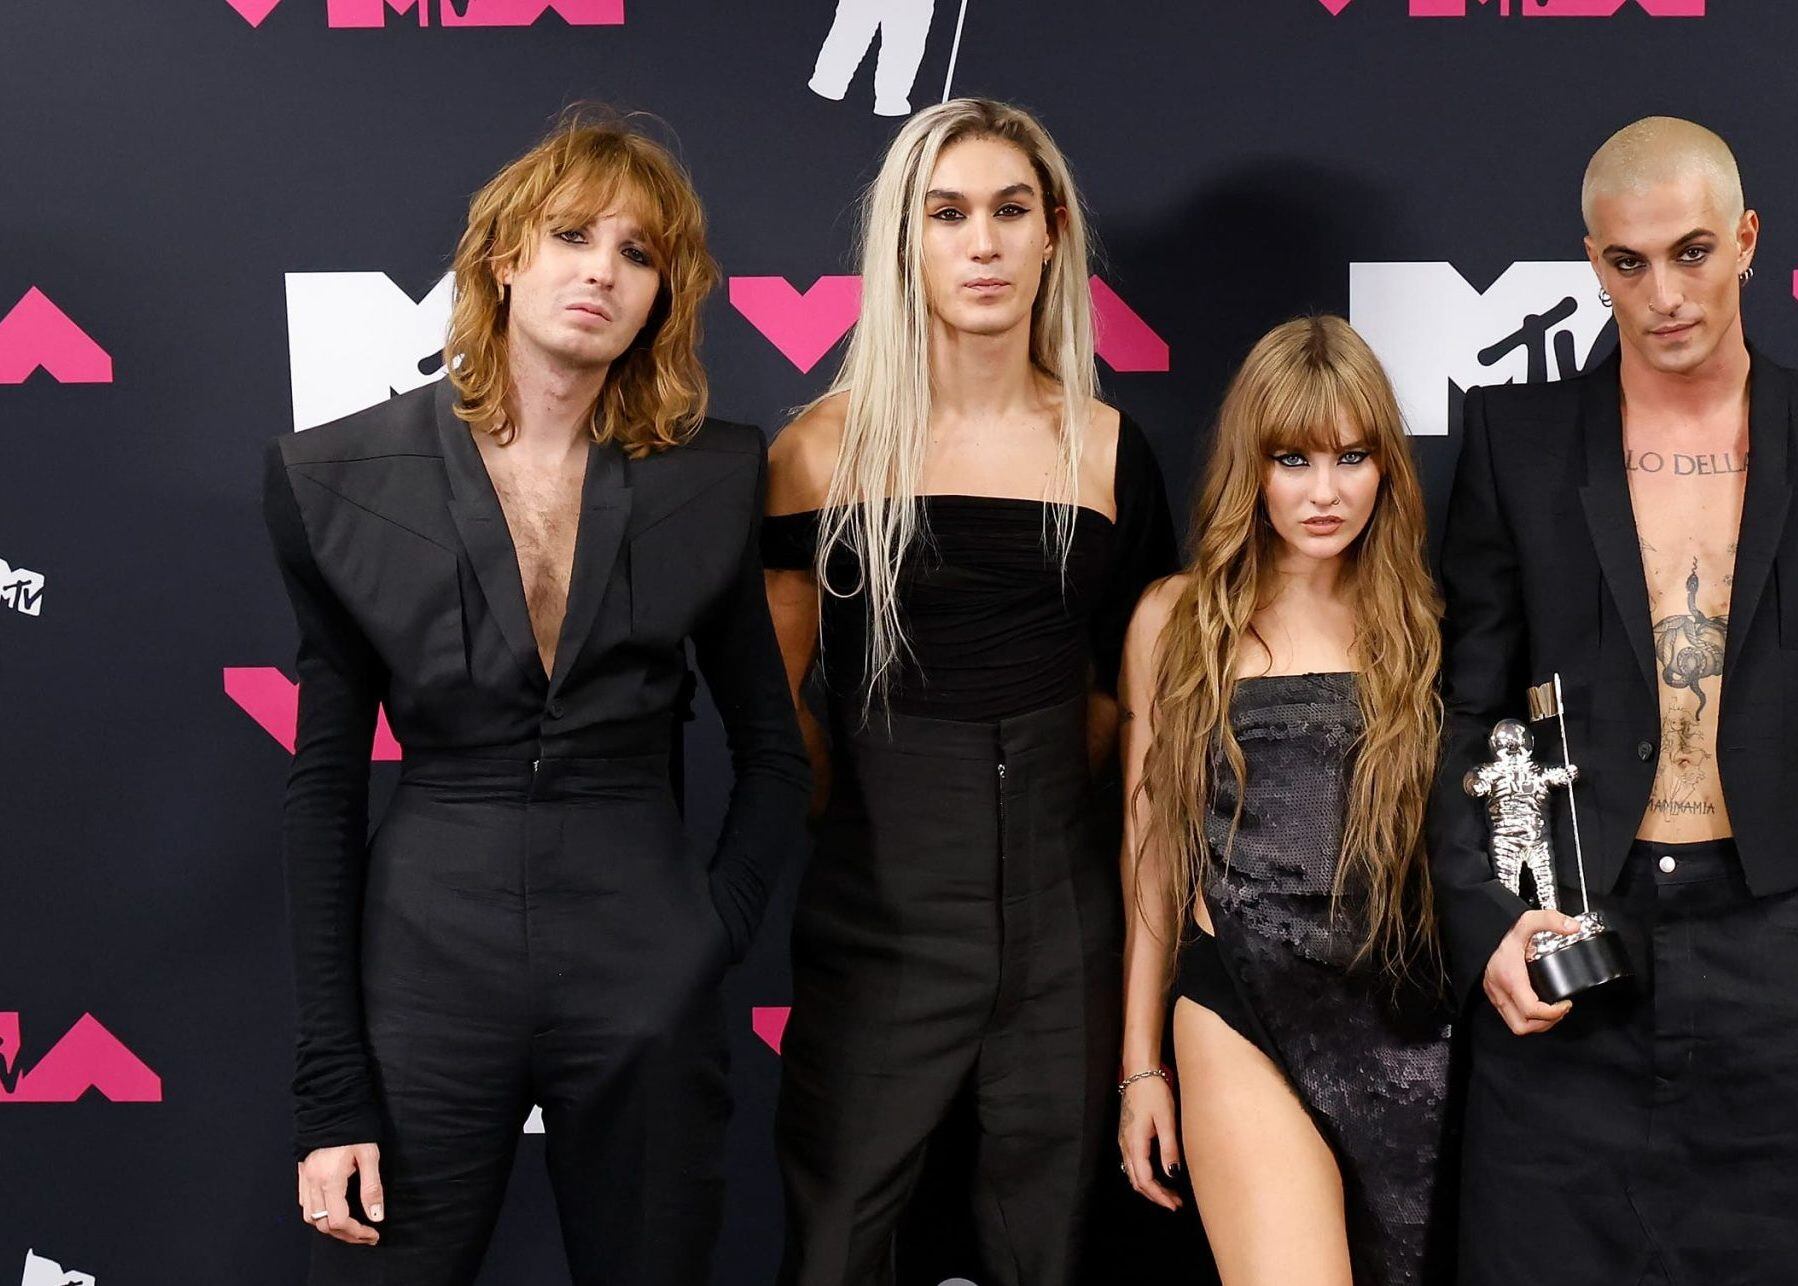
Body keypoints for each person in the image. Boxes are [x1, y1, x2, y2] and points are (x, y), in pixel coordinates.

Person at [264, 109, 809, 1284]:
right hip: (424, 970)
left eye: (639, 252)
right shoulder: (336, 479)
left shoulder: (713, 477)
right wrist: (331, 1083)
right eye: (572, 235)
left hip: (644, 964)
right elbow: (321, 791)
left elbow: (773, 749)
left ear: (663, 293)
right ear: (504, 256)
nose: (601, 272)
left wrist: (705, 936)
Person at [1431, 116, 1798, 1284]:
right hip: (1572, 945)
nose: (1663, 293)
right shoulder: (1517, 438)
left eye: (1693, 252)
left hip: (1775, 949)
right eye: (1627, 262)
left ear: (1748, 239)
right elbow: (1465, 713)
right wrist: (1481, 926)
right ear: (1591, 263)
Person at [763, 97, 1175, 1286]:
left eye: (1008, 211)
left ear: (1053, 235)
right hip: (877, 911)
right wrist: (898, 821)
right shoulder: (814, 453)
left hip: (1062, 917)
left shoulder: (1106, 448)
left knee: (1043, 1245)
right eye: (948, 215)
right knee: (838, 1241)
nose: (981, 244)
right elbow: (779, 708)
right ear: (906, 240)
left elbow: (1120, 693)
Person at [1115, 316, 1453, 1286]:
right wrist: (1141, 1062)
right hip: (1240, 999)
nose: (1322, 490)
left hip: (1404, 1010)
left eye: (1351, 455)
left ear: (1385, 465)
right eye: (1291, 457)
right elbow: (1150, 852)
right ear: (1249, 465)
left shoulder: (1426, 628)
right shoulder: (1174, 620)